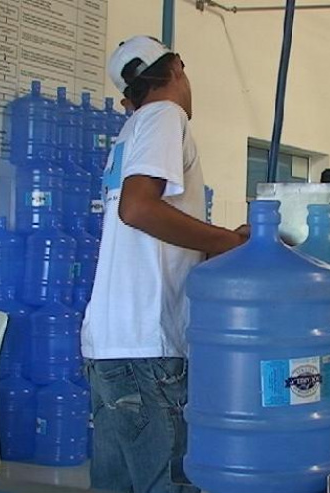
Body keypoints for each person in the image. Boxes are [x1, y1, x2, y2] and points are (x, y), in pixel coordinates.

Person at [81, 36, 248, 493]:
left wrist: (216, 243)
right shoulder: (163, 117)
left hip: (111, 346)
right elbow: (137, 209)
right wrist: (230, 241)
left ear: (124, 97)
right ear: (176, 67)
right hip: (147, 347)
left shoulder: (130, 131)